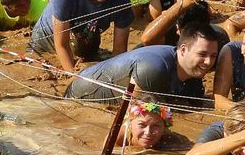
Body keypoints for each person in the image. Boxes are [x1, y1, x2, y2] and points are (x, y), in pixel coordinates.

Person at [63, 23, 223, 107]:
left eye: (213, 56)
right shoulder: (154, 69)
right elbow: (135, 116)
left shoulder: (193, 73)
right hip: (77, 98)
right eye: (202, 55)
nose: (208, 62)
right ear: (183, 50)